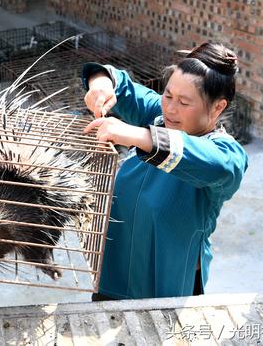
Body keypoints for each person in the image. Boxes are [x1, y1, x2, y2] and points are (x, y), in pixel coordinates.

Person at [82, 42, 248, 300]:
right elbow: (118, 82)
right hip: (115, 274)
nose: (170, 108)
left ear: (218, 107)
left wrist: (138, 135)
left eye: (184, 102)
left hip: (165, 286)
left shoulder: (226, 155)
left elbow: (215, 163)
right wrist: (101, 84)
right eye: (168, 95)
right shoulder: (159, 116)